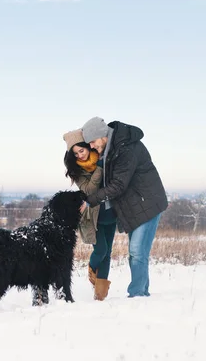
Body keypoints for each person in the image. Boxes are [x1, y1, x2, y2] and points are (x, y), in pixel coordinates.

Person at [80, 117, 168, 298]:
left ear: (102, 135)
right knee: (136, 252)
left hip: (148, 203)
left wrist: (90, 200)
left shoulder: (126, 148)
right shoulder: (112, 147)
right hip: (135, 206)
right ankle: (141, 292)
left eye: (93, 142)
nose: (93, 147)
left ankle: (137, 294)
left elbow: (118, 185)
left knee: (137, 251)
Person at [63, 129, 117, 301]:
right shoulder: (77, 170)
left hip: (111, 213)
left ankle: (100, 294)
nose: (80, 155)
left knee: (107, 253)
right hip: (92, 217)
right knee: (100, 250)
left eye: (82, 150)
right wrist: (100, 168)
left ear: (88, 147)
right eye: (76, 153)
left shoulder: (103, 157)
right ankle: (92, 268)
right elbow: (89, 189)